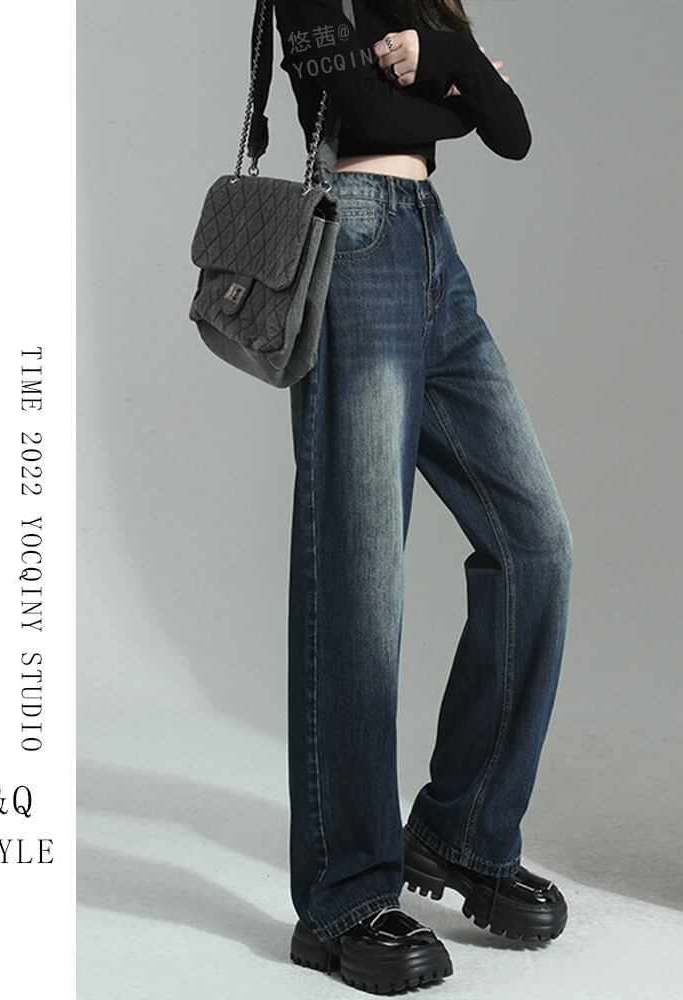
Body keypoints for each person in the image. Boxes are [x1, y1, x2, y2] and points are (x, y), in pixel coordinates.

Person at [271, 0, 573, 991]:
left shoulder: (426, 7)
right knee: (360, 585)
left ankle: (463, 831)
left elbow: (514, 132)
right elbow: (362, 111)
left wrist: (444, 57)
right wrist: (466, 87)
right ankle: (344, 897)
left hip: (436, 251)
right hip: (355, 247)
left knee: (535, 545)